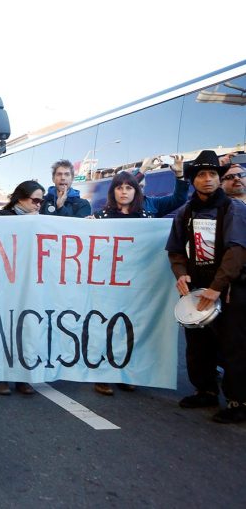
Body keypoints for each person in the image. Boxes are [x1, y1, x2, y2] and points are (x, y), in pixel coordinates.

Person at [165, 150, 246, 424]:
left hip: (231, 288)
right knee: (198, 343)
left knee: (234, 345)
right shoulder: (185, 212)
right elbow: (175, 250)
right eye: (201, 174)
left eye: (213, 174)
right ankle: (206, 390)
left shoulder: (233, 208)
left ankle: (238, 401)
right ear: (193, 180)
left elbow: (236, 250)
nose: (208, 179)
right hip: (197, 287)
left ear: (219, 178)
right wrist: (181, 274)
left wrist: (216, 287)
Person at [90, 172, 155, 395]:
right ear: (113, 191)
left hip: (137, 283)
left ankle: (125, 373)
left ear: (136, 192)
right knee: (106, 327)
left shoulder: (146, 218)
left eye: (129, 187)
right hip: (108, 282)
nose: (124, 191)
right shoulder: (100, 217)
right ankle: (103, 375)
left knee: (131, 328)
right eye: (119, 187)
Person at [0, 180, 45, 395]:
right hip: (5, 284)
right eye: (35, 200)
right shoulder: (1, 217)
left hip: (29, 283)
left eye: (41, 201)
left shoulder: (40, 220)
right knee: (5, 329)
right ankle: (1, 378)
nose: (39, 205)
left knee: (27, 329)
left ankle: (24, 376)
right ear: (21, 198)